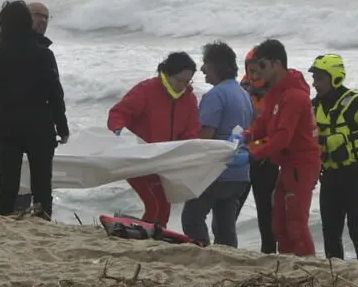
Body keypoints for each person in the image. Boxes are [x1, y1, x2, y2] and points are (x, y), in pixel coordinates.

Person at [0, 0, 69, 220]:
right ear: (28, 22)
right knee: (42, 187)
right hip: (39, 128)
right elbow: (55, 95)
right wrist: (62, 127)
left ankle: (4, 223)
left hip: (6, 129)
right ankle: (42, 222)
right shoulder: (43, 54)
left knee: (8, 186)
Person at [243, 39, 321, 257]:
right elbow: (264, 123)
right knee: (279, 223)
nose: (258, 73)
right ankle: (288, 264)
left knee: (296, 221)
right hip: (286, 164)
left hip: (301, 165)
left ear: (276, 64)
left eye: (263, 66)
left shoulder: (295, 96)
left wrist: (253, 151)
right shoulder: (276, 92)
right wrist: (246, 136)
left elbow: (282, 137)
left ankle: (308, 265)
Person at [107, 52, 201, 226]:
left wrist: (187, 150)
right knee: (155, 204)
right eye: (180, 80)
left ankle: (154, 236)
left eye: (188, 81)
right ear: (167, 74)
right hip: (139, 160)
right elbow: (119, 113)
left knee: (164, 206)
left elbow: (192, 131)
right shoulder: (146, 90)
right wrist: (119, 131)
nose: (183, 86)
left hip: (165, 162)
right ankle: (148, 237)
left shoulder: (189, 99)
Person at [309, 53, 358, 260]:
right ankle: (335, 277)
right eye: (314, 78)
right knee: (330, 234)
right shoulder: (314, 106)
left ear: (335, 77)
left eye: (319, 78)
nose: (315, 83)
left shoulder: (356, 105)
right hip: (331, 178)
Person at [181, 42, 253, 247]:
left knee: (192, 219)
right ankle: (227, 258)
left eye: (205, 64)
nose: (202, 69)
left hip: (217, 172)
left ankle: (201, 253)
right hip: (239, 172)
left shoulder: (215, 95)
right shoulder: (243, 94)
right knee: (225, 226)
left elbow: (206, 138)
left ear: (216, 66)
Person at [236, 47, 280, 254]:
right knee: (230, 211)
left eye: (258, 70)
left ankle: (269, 255)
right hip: (242, 158)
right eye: (250, 70)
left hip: (266, 158)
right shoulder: (240, 89)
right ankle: (224, 249)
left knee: (267, 214)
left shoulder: (278, 91)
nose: (254, 75)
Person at [14, 1, 54, 213]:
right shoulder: (6, 47)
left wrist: (61, 126)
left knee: (41, 183)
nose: (43, 21)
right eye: (39, 15)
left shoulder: (45, 51)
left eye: (47, 17)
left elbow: (54, 92)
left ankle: (41, 218)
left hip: (38, 127)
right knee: (12, 181)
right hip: (12, 126)